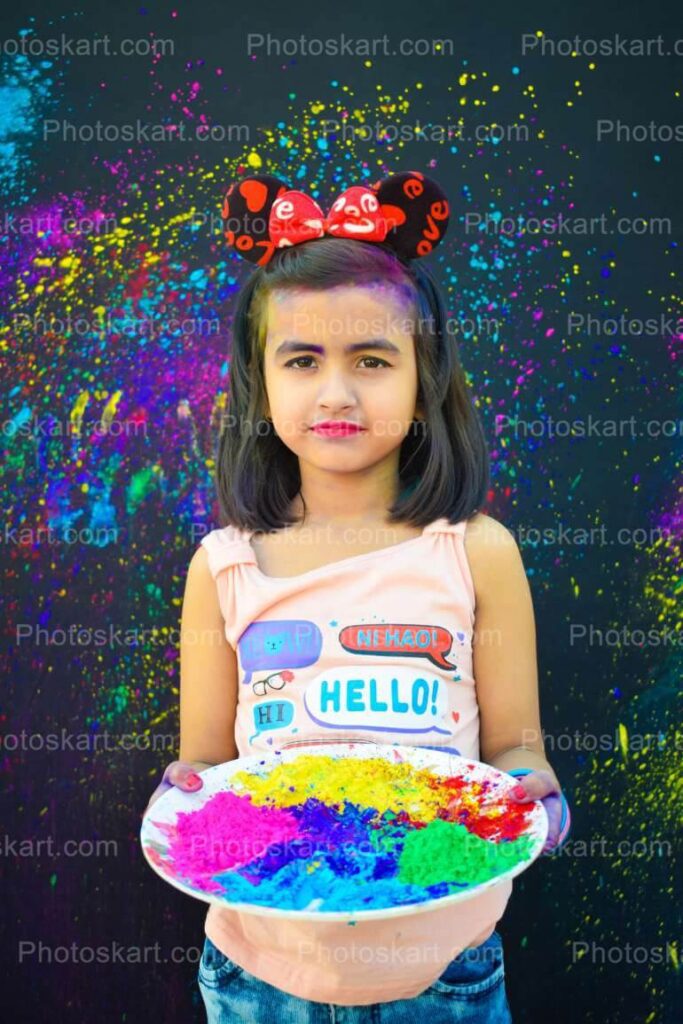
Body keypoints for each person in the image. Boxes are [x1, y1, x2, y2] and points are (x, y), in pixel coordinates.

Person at [144, 170, 571, 1023]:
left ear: (424, 376)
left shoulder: (475, 552)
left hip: (443, 973)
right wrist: (177, 796)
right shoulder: (222, 566)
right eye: (301, 361)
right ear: (259, 381)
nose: (335, 393)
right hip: (259, 975)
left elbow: (518, 750)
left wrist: (538, 800)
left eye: (371, 361)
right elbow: (203, 771)